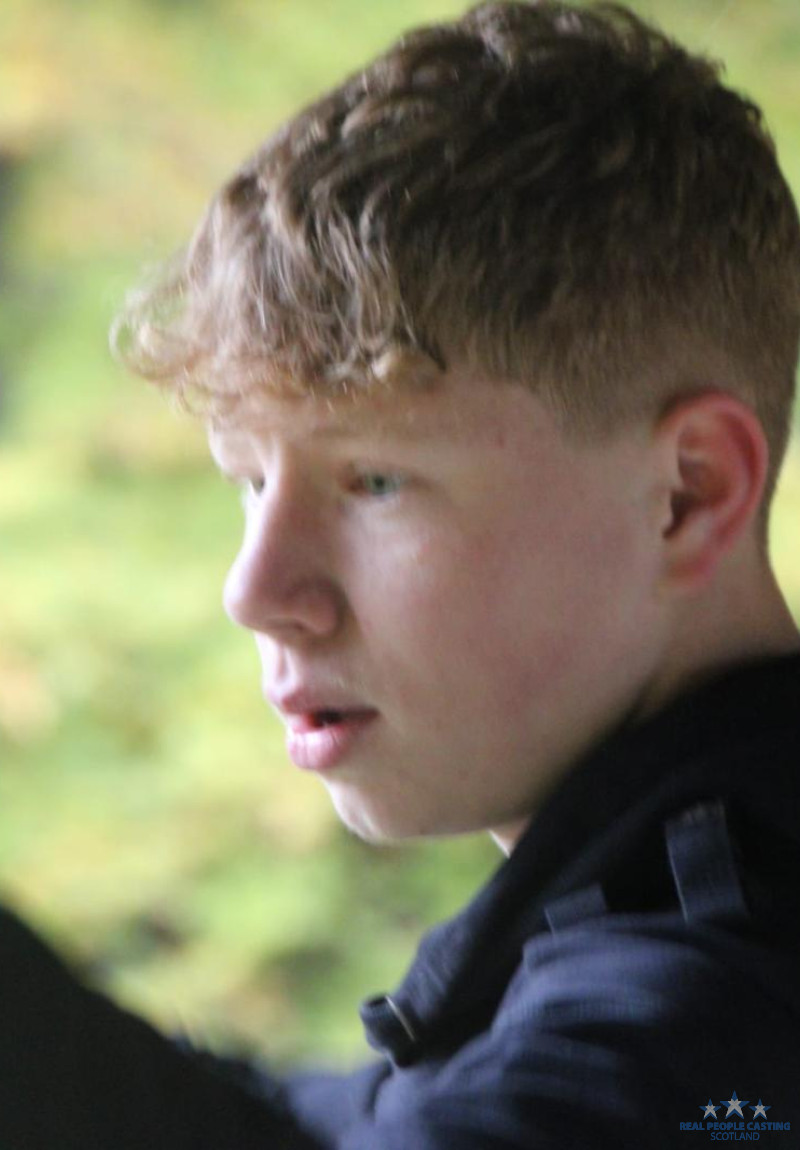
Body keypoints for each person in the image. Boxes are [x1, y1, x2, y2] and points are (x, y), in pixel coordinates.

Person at [2, 1, 800, 1145]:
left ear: (687, 493)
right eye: (246, 479)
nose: (254, 590)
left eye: (374, 480)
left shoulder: (721, 1016)